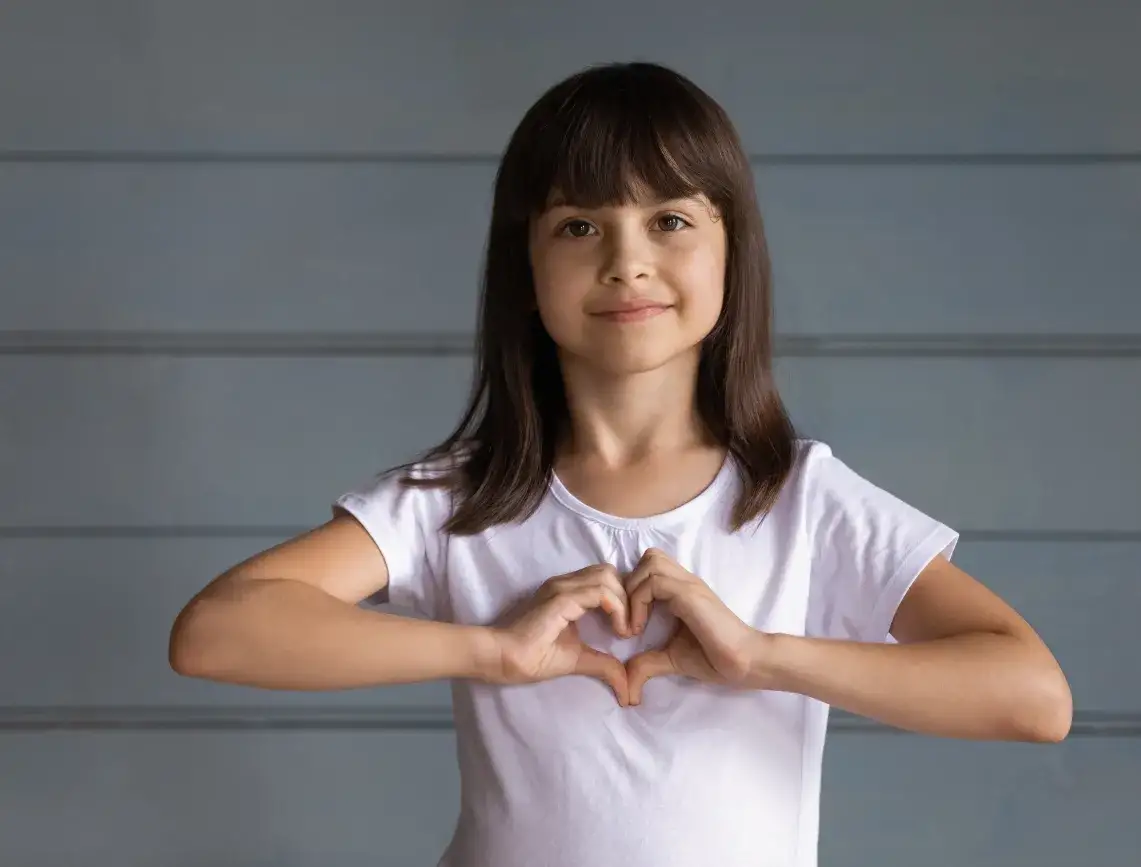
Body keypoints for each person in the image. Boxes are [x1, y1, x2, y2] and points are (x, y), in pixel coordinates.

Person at [169, 60, 1072, 867]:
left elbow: (1033, 695)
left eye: (670, 219)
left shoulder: (800, 501)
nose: (627, 262)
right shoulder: (459, 498)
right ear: (524, 265)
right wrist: (492, 648)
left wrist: (760, 656)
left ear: (732, 251)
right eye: (578, 226)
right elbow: (216, 632)